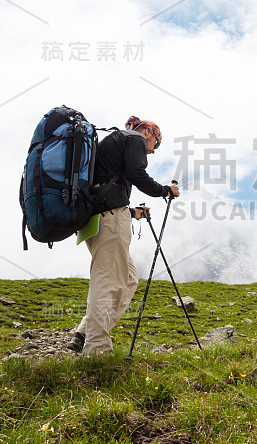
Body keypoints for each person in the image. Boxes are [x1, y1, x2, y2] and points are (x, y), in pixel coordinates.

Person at [71, 115, 180, 355]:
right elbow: (136, 173)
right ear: (149, 133)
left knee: (129, 279)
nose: (152, 152)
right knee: (107, 280)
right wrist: (164, 190)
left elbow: (105, 185)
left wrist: (132, 213)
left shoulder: (113, 141)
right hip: (110, 218)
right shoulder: (134, 138)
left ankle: (85, 332)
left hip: (99, 218)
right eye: (155, 145)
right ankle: (97, 349)